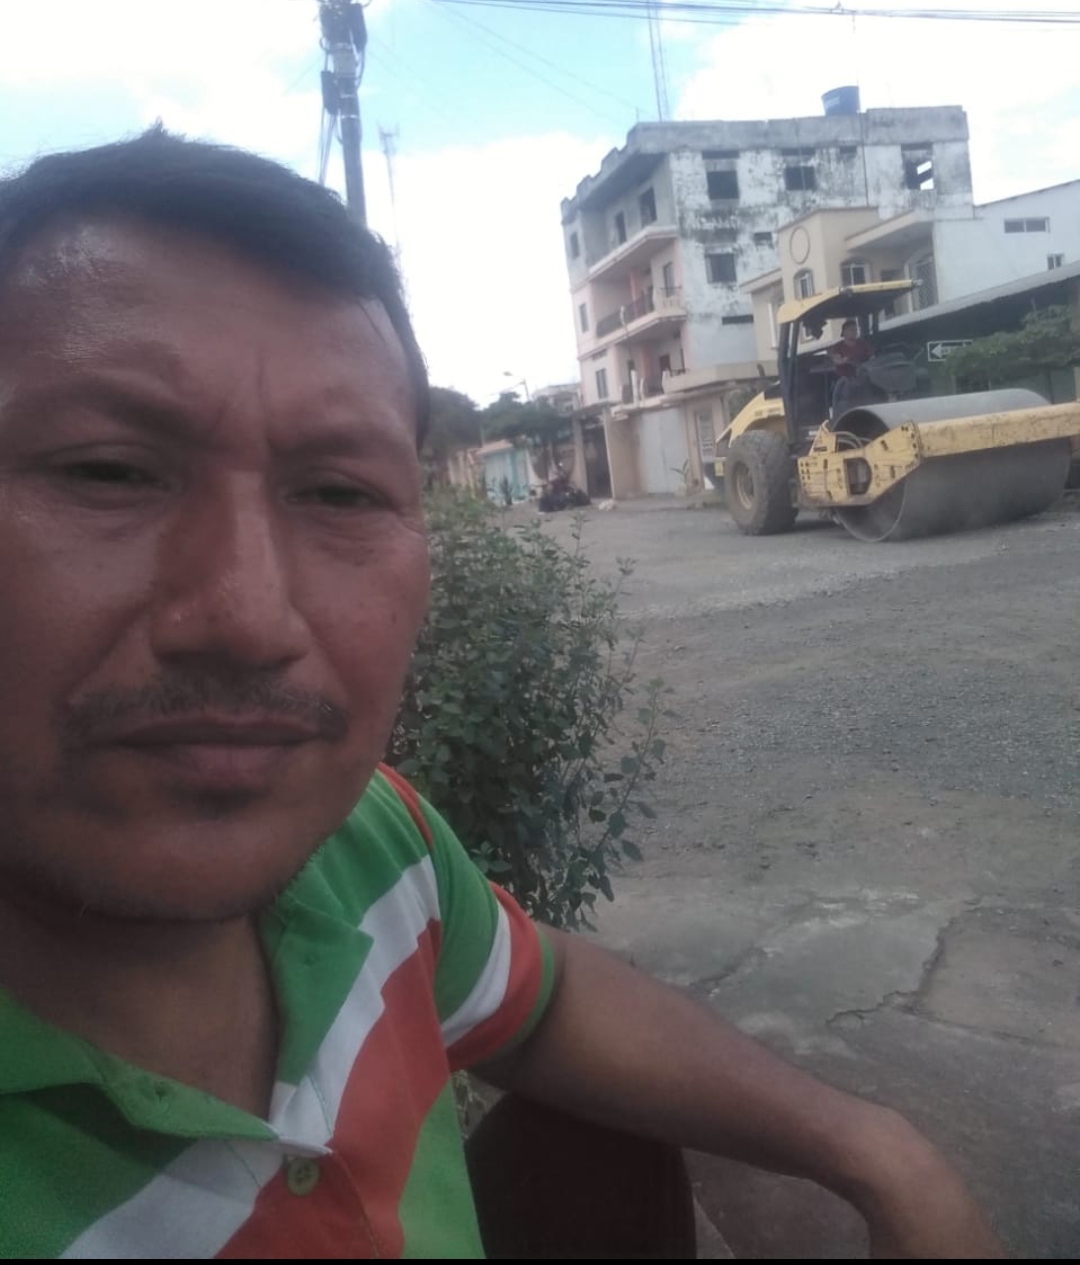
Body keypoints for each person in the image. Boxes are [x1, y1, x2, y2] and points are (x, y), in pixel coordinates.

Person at [0, 131, 1001, 1260]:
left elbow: (547, 1000)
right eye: (106, 471)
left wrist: (876, 1148)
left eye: (339, 492)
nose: (246, 615)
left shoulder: (370, 845)